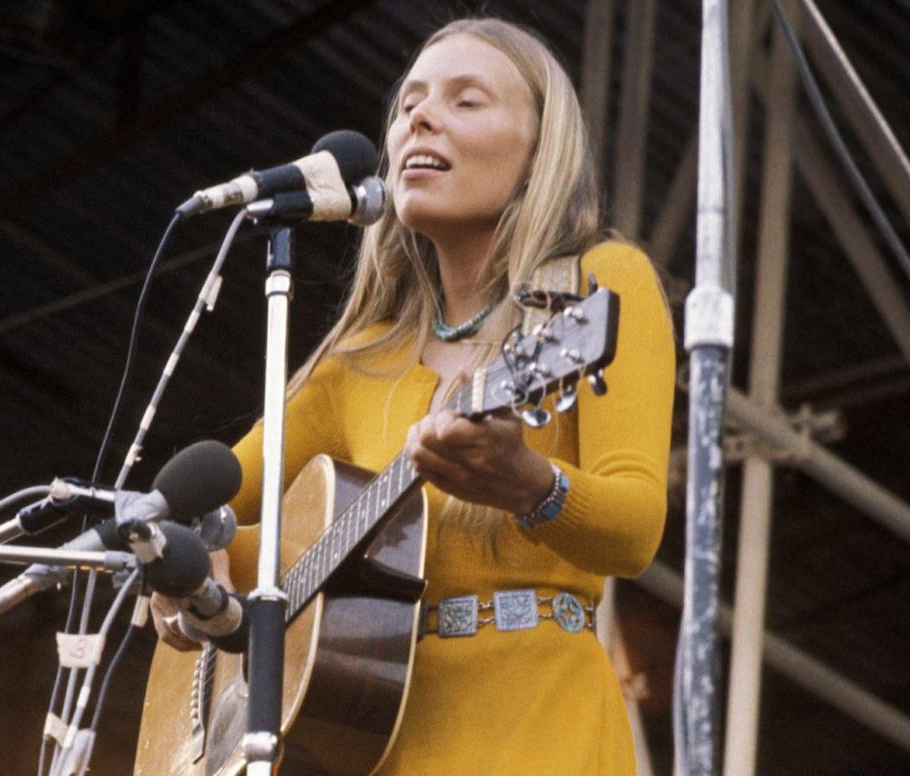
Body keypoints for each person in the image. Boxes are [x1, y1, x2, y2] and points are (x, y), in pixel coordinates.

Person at [152, 16, 674, 775]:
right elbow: (196, 508)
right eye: (409, 105)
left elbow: (635, 532)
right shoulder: (357, 361)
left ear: (539, 155)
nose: (419, 117)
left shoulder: (598, 286)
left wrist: (531, 486)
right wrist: (183, 574)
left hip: (538, 726)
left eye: (467, 102)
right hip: (364, 742)